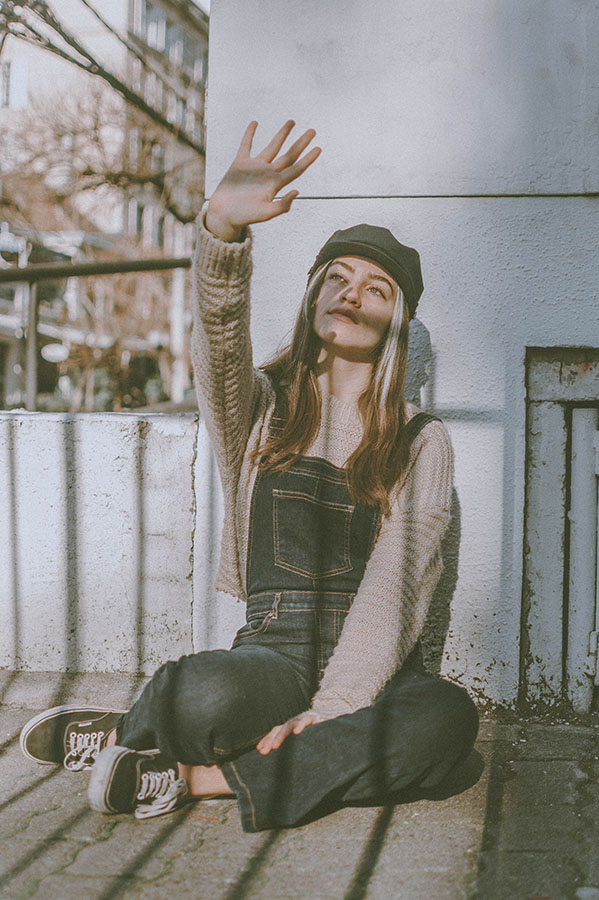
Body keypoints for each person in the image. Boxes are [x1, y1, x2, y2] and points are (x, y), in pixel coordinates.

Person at [19, 120, 479, 832]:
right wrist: (221, 230)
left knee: (446, 723)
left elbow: (398, 581)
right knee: (204, 692)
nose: (353, 294)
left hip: (378, 664)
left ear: (398, 321)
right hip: (274, 654)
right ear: (312, 299)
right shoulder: (262, 407)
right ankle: (128, 733)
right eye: (337, 278)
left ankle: (185, 773)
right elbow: (220, 336)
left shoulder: (423, 440)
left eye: (377, 289)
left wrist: (332, 711)